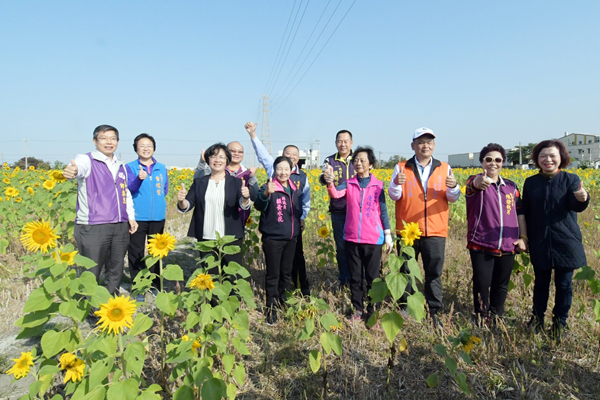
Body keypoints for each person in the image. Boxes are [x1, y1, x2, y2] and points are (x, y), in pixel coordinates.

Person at [387, 127, 460, 326]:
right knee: (406, 271)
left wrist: (453, 186)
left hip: (435, 230)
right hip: (408, 230)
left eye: (429, 142)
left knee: (433, 272)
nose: (425, 145)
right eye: (420, 142)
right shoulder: (401, 167)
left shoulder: (445, 168)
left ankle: (433, 310)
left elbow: (453, 197)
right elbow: (394, 195)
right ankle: (406, 307)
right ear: (413, 146)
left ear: (434, 146)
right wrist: (395, 183)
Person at [522, 139, 590, 339]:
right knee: (540, 283)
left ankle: (560, 322)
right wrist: (524, 237)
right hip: (540, 240)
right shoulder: (531, 182)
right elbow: (525, 211)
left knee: (564, 285)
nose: (548, 159)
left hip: (565, 240)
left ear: (561, 158)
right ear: (537, 159)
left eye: (552, 155)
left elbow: (576, 205)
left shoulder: (571, 179)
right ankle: (537, 319)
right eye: (543, 156)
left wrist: (582, 198)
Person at [63, 124, 138, 297]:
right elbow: (78, 168)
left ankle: (109, 306)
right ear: (95, 141)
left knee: (116, 269)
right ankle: (89, 307)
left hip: (120, 225)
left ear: (117, 142)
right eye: (104, 138)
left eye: (113, 138)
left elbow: (125, 192)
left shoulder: (121, 166)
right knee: (91, 270)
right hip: (94, 225)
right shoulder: (86, 160)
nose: (109, 142)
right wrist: (72, 170)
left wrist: (131, 217)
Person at [326, 146, 393, 321]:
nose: (359, 163)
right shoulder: (349, 184)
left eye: (363, 160)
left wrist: (387, 234)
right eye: (356, 160)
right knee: (355, 277)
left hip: (373, 239)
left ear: (371, 164)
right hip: (352, 237)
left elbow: (383, 211)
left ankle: (373, 311)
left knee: (373, 278)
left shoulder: (378, 185)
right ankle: (357, 309)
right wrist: (329, 182)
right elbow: (335, 194)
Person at [245, 121, 311, 295]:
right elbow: (263, 154)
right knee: (275, 269)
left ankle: (300, 290)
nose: (291, 156)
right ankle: (274, 302)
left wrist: (302, 217)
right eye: (287, 154)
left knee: (295, 260)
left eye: (294, 155)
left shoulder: (302, 177)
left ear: (297, 159)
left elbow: (306, 200)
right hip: (275, 229)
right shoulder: (273, 173)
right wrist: (253, 135)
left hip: (294, 227)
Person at [465, 143, 527, 325]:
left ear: (503, 163)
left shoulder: (511, 186)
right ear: (482, 162)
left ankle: (497, 316)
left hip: (508, 244)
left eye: (498, 160)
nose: (493, 163)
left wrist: (523, 238)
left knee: (501, 285)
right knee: (482, 284)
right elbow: (473, 186)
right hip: (482, 243)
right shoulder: (474, 180)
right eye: (489, 159)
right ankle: (482, 317)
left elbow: (520, 212)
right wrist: (479, 183)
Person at [178, 143, 254, 277]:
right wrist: (181, 200)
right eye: (213, 156)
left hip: (230, 237)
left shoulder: (236, 182)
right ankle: (213, 300)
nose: (217, 160)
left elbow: (243, 205)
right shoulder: (200, 182)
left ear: (227, 161)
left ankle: (232, 298)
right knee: (210, 276)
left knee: (232, 276)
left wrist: (246, 198)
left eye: (221, 157)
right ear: (208, 160)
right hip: (206, 237)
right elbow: (187, 205)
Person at [254, 156, 302, 326]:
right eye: (279, 169)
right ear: (274, 170)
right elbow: (258, 204)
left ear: (291, 170)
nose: (283, 172)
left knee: (286, 273)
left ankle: (284, 301)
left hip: (290, 239)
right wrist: (266, 193)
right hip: (273, 239)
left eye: (286, 169)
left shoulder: (295, 188)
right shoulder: (268, 186)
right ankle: (271, 308)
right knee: (273, 275)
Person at [125, 133, 169, 301]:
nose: (145, 148)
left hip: (157, 217)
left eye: (149, 145)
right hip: (137, 217)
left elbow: (164, 190)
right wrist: (139, 179)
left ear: (154, 148)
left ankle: (156, 285)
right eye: (142, 145)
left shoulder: (162, 168)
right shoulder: (130, 167)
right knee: (136, 252)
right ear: (136, 148)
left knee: (156, 252)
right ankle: (139, 287)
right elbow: (129, 189)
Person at [320, 130, 355, 288]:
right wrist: (326, 178)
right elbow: (322, 177)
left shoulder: (359, 158)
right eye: (340, 141)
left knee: (356, 246)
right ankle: (344, 278)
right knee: (341, 246)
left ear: (351, 143)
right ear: (336, 143)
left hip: (357, 212)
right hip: (338, 210)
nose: (343, 144)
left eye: (346, 141)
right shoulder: (329, 161)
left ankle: (357, 277)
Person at [194, 140, 257, 224]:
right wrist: (202, 162)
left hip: (238, 221)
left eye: (240, 152)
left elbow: (255, 197)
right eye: (233, 151)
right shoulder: (215, 170)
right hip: (213, 220)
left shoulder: (247, 173)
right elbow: (198, 182)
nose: (237, 154)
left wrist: (252, 177)